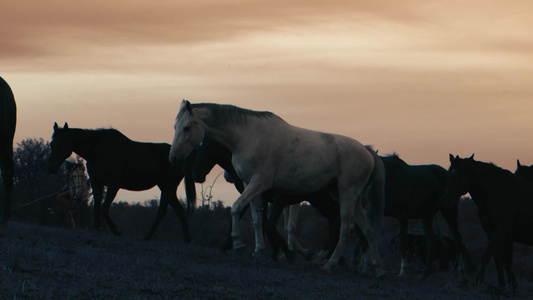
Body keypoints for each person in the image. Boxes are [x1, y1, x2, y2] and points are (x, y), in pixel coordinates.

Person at [56, 156, 90, 228]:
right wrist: (65, 188)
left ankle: (72, 208)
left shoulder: (76, 172)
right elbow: (72, 183)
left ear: (69, 163)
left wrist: (75, 199)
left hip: (78, 194)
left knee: (74, 212)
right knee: (60, 197)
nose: (65, 165)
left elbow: (79, 187)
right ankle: (72, 208)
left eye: (66, 163)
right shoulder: (72, 171)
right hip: (73, 191)